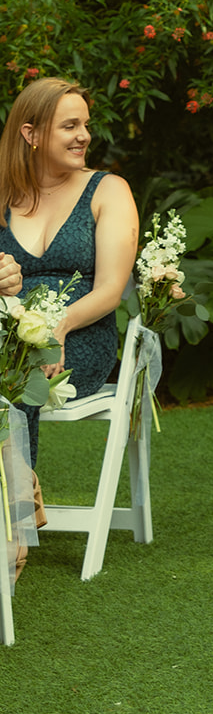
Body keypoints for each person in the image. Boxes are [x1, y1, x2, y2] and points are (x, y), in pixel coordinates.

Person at [0, 77, 139, 466]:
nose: (84, 136)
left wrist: (56, 327)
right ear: (31, 134)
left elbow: (111, 290)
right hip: (7, 334)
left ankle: (18, 503)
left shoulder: (108, 191)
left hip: (78, 338)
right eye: (70, 126)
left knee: (17, 366)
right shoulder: (2, 195)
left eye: (85, 125)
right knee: (10, 357)